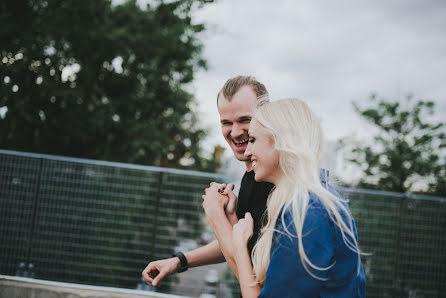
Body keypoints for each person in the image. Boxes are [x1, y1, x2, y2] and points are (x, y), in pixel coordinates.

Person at [142, 76, 274, 286]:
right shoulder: (251, 176)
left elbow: (253, 282)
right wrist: (179, 261)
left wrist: (216, 216)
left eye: (244, 120)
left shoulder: (274, 181)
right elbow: (234, 244)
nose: (236, 131)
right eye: (226, 123)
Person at [227, 98, 366, 297]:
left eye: (253, 140)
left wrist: (239, 246)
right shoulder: (310, 201)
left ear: (281, 142)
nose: (248, 151)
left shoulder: (307, 213)